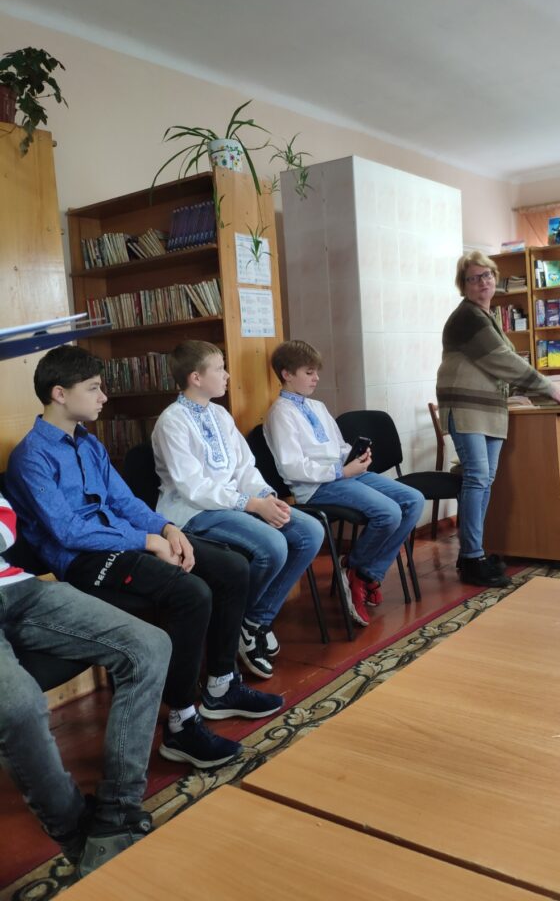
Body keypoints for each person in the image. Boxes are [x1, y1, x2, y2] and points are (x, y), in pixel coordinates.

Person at [5, 345, 284, 772]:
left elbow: (124, 501)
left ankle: (221, 685)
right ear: (59, 394)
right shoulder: (31, 457)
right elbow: (67, 531)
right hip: (84, 560)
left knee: (232, 568)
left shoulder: (89, 444)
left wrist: (167, 529)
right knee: (192, 594)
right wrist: (146, 540)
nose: (103, 397)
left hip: (125, 542)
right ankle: (181, 724)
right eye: (93, 388)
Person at [0, 489, 171, 877]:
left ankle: (118, 813)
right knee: (17, 706)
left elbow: (6, 520)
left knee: (150, 646)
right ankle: (77, 836)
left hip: (17, 587)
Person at [151, 341, 324, 678]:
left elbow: (245, 467)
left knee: (309, 532)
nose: (227, 375)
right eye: (219, 369)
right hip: (193, 512)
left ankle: (253, 620)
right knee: (273, 546)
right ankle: (242, 624)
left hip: (234, 503)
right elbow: (193, 487)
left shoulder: (219, 414)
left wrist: (266, 496)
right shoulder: (172, 422)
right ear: (196, 378)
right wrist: (251, 504)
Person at [264, 340, 425, 627]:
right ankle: (360, 573)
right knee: (389, 512)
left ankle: (361, 571)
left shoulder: (317, 406)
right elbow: (292, 467)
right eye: (309, 372)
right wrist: (340, 471)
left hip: (346, 474)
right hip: (316, 487)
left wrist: (356, 457)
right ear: (287, 374)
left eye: (316, 372)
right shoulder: (280, 413)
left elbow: (338, 446)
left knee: (414, 500)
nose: (316, 378)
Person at [436, 251, 560, 588]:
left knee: (484, 480)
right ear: (463, 285)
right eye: (474, 278)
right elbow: (502, 360)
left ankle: (473, 553)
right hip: (467, 409)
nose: (482, 282)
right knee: (477, 479)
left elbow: (500, 363)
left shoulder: (487, 315)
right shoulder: (468, 316)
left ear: (495, 278)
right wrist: (546, 386)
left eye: (487, 275)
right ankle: (472, 558)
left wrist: (527, 391)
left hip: (489, 410)